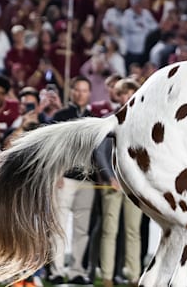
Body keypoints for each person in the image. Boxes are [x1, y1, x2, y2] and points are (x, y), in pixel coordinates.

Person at [50, 75, 100, 283]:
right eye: (77, 89)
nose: (80, 94)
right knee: (58, 226)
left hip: (87, 181)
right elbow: (53, 148)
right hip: (64, 178)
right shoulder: (61, 115)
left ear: (89, 93)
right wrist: (55, 173)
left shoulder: (94, 118)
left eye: (84, 90)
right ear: (71, 91)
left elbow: (98, 152)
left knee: (82, 229)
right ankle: (56, 271)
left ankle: (77, 270)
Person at [95, 79, 144, 287]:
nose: (127, 97)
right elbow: (100, 151)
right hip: (113, 185)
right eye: (123, 94)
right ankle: (107, 278)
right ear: (118, 96)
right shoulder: (110, 119)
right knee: (109, 231)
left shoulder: (144, 121)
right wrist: (109, 177)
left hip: (135, 186)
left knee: (133, 232)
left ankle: (134, 277)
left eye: (131, 93)